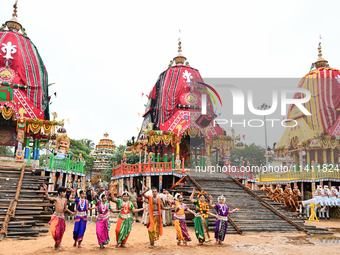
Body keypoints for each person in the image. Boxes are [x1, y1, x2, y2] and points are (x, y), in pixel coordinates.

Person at [43, 183, 73, 250]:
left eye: (65, 192)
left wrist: (72, 212)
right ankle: (57, 244)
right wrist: (46, 190)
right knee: (55, 232)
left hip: (61, 218)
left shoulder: (65, 200)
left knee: (61, 232)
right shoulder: (56, 199)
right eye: (64, 192)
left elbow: (65, 208)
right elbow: (48, 197)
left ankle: (57, 245)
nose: (65, 193)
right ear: (60, 193)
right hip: (56, 217)